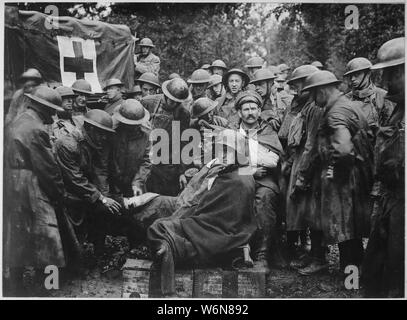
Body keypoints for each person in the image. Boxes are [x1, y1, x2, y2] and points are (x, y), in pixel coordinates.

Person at [147, 128, 257, 297]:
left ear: (239, 152)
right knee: (164, 226)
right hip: (220, 230)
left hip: (219, 233)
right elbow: (211, 206)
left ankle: (167, 255)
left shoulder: (237, 179)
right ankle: (168, 248)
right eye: (221, 149)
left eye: (228, 150)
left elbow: (212, 212)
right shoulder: (234, 172)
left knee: (158, 227)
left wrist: (186, 218)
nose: (223, 154)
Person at [302, 70, 374, 277]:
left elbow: (343, 150)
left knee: (345, 226)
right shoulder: (346, 105)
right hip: (357, 173)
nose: (314, 101)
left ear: (322, 91)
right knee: (352, 226)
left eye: (314, 94)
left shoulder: (335, 113)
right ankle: (355, 271)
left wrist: (333, 173)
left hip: (347, 177)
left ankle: (349, 275)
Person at [4, 86, 66, 296]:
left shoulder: (18, 120)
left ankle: (14, 286)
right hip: (31, 183)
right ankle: (49, 287)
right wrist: (58, 194)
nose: (54, 114)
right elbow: (47, 169)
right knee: (49, 236)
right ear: (44, 108)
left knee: (17, 234)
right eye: (52, 109)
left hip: (12, 182)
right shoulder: (37, 129)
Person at [55, 110, 132, 257]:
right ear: (89, 128)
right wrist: (101, 197)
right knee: (71, 238)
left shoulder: (93, 143)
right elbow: (74, 179)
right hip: (66, 195)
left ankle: (99, 252)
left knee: (104, 210)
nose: (103, 138)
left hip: (84, 192)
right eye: (100, 133)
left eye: (105, 134)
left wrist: (108, 196)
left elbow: (100, 172)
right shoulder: (68, 144)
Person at [363, 37, 405, 298]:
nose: (386, 82)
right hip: (391, 195)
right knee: (378, 262)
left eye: (393, 73)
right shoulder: (398, 108)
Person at [282, 65, 325, 273]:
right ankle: (312, 256)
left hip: (311, 167)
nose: (296, 88)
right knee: (305, 211)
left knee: (314, 212)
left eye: (299, 83)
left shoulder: (315, 107)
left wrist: (303, 174)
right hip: (301, 161)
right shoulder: (303, 106)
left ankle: (319, 258)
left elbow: (312, 143)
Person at [235, 91, 284, 271]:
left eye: (254, 108)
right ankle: (236, 251)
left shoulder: (267, 131)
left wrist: (244, 159)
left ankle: (262, 255)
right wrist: (251, 168)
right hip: (238, 180)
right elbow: (224, 161)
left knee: (264, 200)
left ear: (259, 111)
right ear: (239, 112)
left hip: (265, 181)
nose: (250, 112)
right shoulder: (232, 132)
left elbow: (273, 160)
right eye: (246, 109)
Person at [141, 78, 191, 196]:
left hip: (166, 163)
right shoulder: (148, 103)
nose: (174, 104)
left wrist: (181, 172)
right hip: (144, 157)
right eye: (172, 100)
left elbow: (182, 144)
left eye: (178, 101)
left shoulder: (183, 114)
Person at [110, 99, 152, 198]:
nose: (132, 128)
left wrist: (137, 183)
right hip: (111, 182)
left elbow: (147, 161)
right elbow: (102, 163)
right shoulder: (111, 130)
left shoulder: (146, 133)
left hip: (133, 182)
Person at [343, 57, 394, 135]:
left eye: (357, 74)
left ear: (368, 74)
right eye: (350, 75)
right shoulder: (345, 99)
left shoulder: (383, 97)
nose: (352, 79)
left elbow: (391, 129)